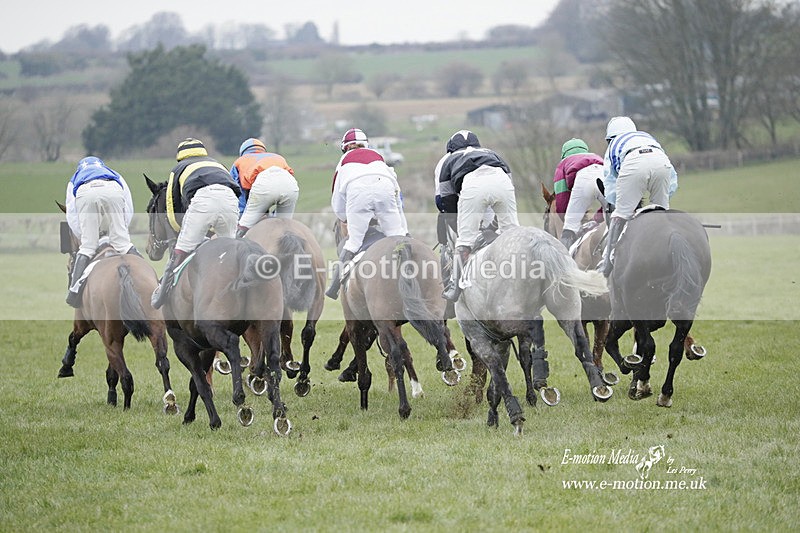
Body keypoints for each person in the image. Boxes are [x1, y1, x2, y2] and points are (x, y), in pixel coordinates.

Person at [151, 138, 241, 309]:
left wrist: (181, 231)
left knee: (181, 250)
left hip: (202, 200)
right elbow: (232, 191)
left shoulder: (178, 169)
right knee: (230, 252)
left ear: (180, 156)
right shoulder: (216, 164)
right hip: (230, 200)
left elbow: (172, 205)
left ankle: (161, 293)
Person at [325, 128, 408, 300]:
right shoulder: (379, 157)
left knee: (354, 243)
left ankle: (334, 287)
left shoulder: (343, 162)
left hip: (358, 193)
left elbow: (339, 207)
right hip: (386, 188)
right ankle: (412, 272)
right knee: (397, 237)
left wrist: (348, 218)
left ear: (344, 148)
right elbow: (396, 193)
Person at [437, 130, 519, 302]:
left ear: (451, 150)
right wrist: (492, 228)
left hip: (473, 186)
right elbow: (508, 186)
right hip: (502, 182)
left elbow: (447, 204)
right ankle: (520, 277)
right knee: (512, 235)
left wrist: (462, 231)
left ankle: (455, 286)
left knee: (464, 241)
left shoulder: (449, 161)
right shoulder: (492, 153)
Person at [598, 116, 678, 276]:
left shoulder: (613, 145)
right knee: (661, 213)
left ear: (609, 138)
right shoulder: (646, 137)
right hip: (661, 163)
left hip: (633, 163)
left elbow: (610, 183)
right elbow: (673, 179)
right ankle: (668, 253)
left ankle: (607, 263)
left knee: (620, 214)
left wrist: (622, 206)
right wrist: (663, 199)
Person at [65, 156, 138, 308]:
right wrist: (120, 230)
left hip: (85, 193)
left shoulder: (74, 179)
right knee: (124, 245)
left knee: (87, 247)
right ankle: (152, 280)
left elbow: (72, 215)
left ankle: (73, 293)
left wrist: (85, 236)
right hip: (113, 190)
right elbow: (128, 206)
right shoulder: (113, 174)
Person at [231, 137, 299, 237]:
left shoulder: (240, 161)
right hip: (290, 185)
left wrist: (242, 219)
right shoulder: (277, 157)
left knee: (241, 229)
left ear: (243, 153)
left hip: (264, 184)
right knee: (285, 227)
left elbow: (237, 192)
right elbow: (285, 184)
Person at [552, 138, 605, 250]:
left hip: (584, 180)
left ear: (564, 154)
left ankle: (564, 262)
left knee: (570, 225)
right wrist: (597, 219)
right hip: (602, 173)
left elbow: (562, 198)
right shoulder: (596, 157)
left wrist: (567, 218)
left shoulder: (563, 163)